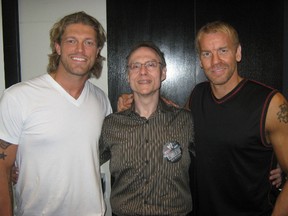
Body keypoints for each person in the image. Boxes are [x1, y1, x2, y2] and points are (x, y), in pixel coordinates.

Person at [118, 21, 288, 215]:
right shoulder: (198, 95)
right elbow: (173, 119)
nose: (215, 61)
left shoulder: (271, 103)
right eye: (207, 53)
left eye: (223, 50)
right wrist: (135, 100)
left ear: (238, 52)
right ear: (200, 60)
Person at [0, 11, 112, 216]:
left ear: (97, 51)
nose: (80, 49)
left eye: (88, 42)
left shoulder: (101, 100)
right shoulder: (19, 96)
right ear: (57, 47)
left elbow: (95, 151)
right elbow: (2, 167)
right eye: (71, 41)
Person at [99, 41, 195, 216]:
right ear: (128, 75)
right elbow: (85, 163)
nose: (143, 71)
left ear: (163, 73)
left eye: (151, 64)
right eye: (135, 66)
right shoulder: (111, 124)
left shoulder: (186, 121)